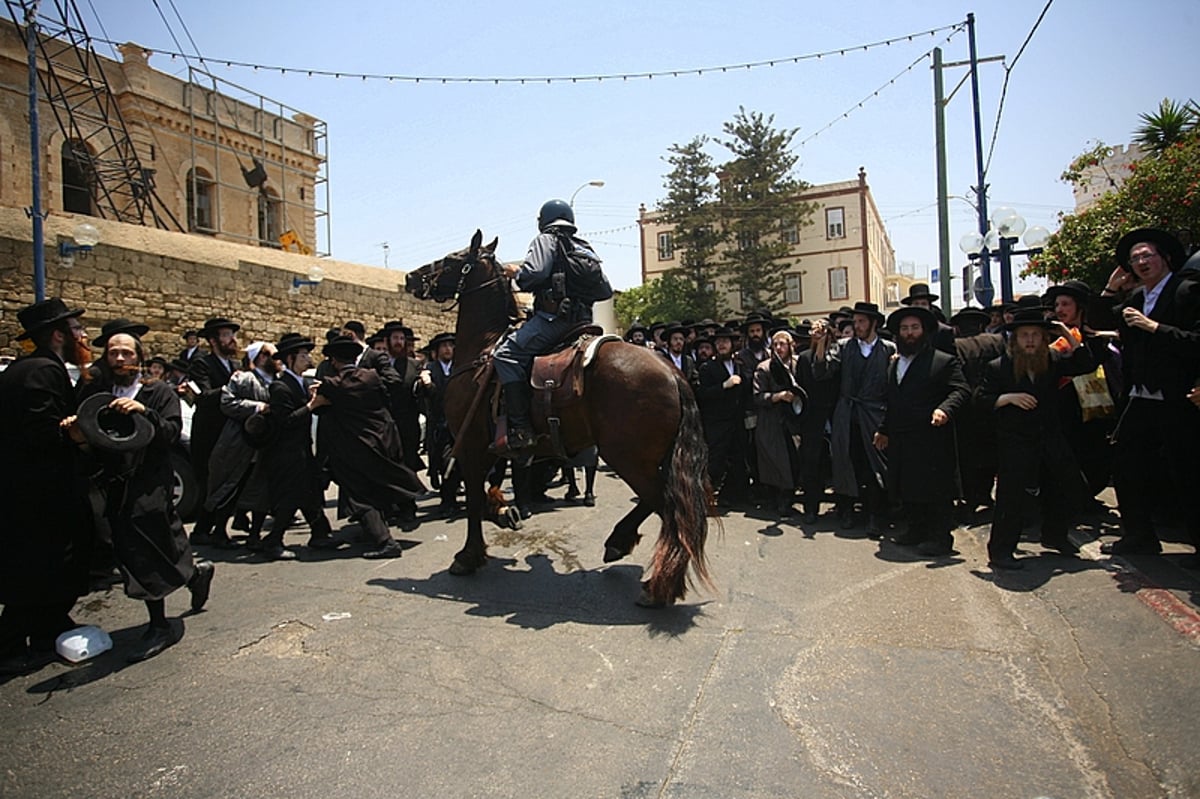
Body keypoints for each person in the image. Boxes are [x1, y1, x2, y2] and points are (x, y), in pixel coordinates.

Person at [77, 321, 214, 662]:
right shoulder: (97, 393)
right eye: (114, 353)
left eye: (127, 352)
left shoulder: (157, 392)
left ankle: (159, 625)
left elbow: (170, 432)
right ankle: (195, 574)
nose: (120, 358)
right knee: (146, 545)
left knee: (146, 546)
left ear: (139, 357)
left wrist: (145, 413)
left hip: (149, 483)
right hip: (113, 483)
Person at [0, 299, 95, 674]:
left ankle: (47, 629)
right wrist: (73, 433)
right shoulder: (40, 372)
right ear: (58, 335)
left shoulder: (38, 367)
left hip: (34, 488)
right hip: (38, 491)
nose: (83, 336)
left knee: (50, 565)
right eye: (76, 330)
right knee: (42, 568)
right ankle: (8, 644)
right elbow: (41, 434)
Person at [1099, 228, 1200, 566]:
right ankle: (1139, 535)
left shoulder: (1187, 291)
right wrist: (1111, 290)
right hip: (1142, 396)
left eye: (1147, 255)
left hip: (1179, 396)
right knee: (1126, 463)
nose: (1141, 262)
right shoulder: (1137, 299)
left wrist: (1153, 327)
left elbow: (1195, 341)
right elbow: (1097, 324)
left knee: (1186, 470)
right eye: (1135, 259)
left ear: (1164, 258)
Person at [977, 308, 1097, 569]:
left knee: (1067, 487)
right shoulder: (998, 367)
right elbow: (981, 400)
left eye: (1035, 335)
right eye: (1024, 336)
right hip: (1016, 441)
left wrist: (1065, 332)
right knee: (1011, 498)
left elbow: (1085, 364)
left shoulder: (1052, 360)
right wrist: (1007, 398)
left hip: (1049, 436)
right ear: (1014, 340)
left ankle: (1054, 536)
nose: (1030, 340)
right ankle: (1000, 552)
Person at [493, 199, 607, 453]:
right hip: (585, 322)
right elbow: (605, 289)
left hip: (553, 322)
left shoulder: (546, 240)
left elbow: (534, 273)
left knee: (505, 356)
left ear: (543, 221)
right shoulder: (584, 246)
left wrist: (516, 273)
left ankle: (521, 428)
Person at [312, 336, 426, 559]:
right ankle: (373, 532)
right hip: (383, 440)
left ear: (334, 361)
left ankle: (385, 541)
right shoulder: (372, 377)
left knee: (359, 496)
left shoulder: (332, 384)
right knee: (375, 488)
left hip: (356, 447)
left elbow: (320, 408)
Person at [874, 306, 970, 556]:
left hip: (932, 439)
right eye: (905, 329)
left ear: (924, 331)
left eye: (914, 328)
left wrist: (944, 409)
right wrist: (884, 430)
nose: (909, 333)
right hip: (903, 439)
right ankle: (916, 530)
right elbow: (894, 401)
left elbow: (961, 390)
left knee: (935, 490)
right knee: (909, 487)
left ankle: (940, 538)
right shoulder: (895, 365)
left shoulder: (942, 360)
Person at [816, 301, 894, 534]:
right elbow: (822, 372)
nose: (857, 326)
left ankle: (874, 515)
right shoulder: (843, 347)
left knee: (874, 466)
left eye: (861, 322)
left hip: (874, 415)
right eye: (855, 322)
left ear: (874, 324)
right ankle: (846, 510)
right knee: (845, 461)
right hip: (847, 414)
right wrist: (821, 344)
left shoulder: (888, 349)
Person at [258, 333, 337, 560]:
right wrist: (312, 405)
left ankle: (320, 533)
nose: (307, 359)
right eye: (303, 355)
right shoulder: (280, 387)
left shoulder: (301, 383)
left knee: (309, 492)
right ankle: (273, 540)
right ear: (290, 359)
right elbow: (286, 421)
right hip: (287, 452)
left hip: (302, 449)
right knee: (290, 497)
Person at [1043, 279, 1122, 499]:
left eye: (1066, 304)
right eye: (1057, 305)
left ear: (1080, 307)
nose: (1060, 310)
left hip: (1098, 405)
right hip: (1065, 404)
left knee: (1095, 451)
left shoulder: (1097, 336)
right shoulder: (1052, 337)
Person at [204, 341, 276, 550]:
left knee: (262, 489)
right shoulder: (242, 378)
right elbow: (227, 402)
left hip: (265, 443)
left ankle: (255, 535)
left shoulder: (279, 380)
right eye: (272, 355)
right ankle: (219, 531)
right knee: (231, 486)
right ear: (261, 358)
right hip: (240, 442)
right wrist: (258, 407)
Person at [187, 317, 242, 548]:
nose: (233, 340)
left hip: (231, 434)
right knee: (211, 484)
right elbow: (203, 397)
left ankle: (216, 529)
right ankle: (205, 530)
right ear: (213, 340)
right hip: (210, 435)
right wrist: (233, 386)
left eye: (232, 335)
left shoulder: (235, 366)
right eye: (227, 335)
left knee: (229, 482)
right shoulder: (202, 364)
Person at [753, 329, 805, 518]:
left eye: (783, 344)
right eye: (775, 344)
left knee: (795, 459)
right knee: (776, 462)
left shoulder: (799, 364)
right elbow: (758, 397)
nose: (779, 348)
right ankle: (780, 501)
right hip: (772, 421)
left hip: (794, 420)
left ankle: (789, 497)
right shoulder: (764, 368)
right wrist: (778, 396)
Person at [696, 327, 749, 508]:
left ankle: (732, 496)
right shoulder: (707, 368)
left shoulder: (740, 365)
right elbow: (702, 394)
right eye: (718, 343)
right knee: (714, 461)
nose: (722, 345)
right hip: (717, 423)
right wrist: (723, 386)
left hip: (737, 422)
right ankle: (704, 497)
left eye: (725, 342)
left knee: (738, 459)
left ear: (732, 344)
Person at [795, 319, 840, 523]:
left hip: (834, 414)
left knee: (838, 462)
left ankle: (843, 507)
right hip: (812, 418)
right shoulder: (804, 358)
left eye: (822, 332)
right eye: (815, 332)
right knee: (811, 464)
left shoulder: (838, 357)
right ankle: (810, 508)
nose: (818, 335)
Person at [418, 332, 461, 515]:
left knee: (462, 463)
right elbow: (427, 399)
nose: (447, 349)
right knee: (444, 462)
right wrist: (427, 385)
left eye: (450, 346)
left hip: (460, 423)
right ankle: (447, 500)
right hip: (440, 425)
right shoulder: (431, 369)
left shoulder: (459, 367)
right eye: (443, 346)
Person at [899, 283, 956, 355]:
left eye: (923, 304)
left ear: (929, 307)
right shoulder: (904, 330)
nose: (920, 307)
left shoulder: (943, 331)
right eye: (916, 304)